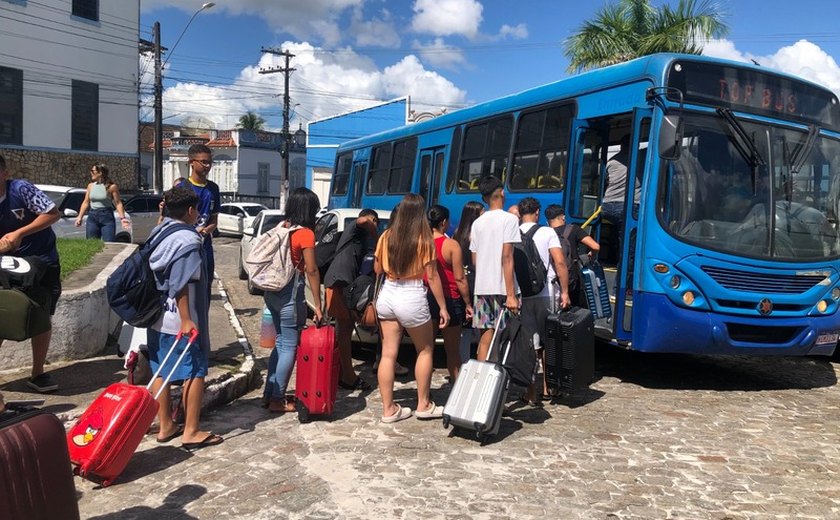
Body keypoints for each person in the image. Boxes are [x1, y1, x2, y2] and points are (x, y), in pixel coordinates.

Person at [147, 186, 222, 450]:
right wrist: (187, 319)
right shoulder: (189, 240)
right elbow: (180, 282)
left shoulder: (160, 231)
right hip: (181, 316)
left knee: (161, 369)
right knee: (197, 369)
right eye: (197, 210)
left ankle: (165, 424)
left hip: (158, 314)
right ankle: (191, 430)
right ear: (191, 211)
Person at [374, 193, 449, 423]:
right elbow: (433, 277)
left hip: (387, 293)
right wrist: (443, 307)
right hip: (411, 294)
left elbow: (377, 269)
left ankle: (389, 409)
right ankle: (423, 404)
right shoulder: (424, 239)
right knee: (425, 350)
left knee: (388, 352)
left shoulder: (386, 236)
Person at [0, 154, 62, 392]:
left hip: (41, 261)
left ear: (5, 173)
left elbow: (52, 213)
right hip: (7, 264)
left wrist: (19, 234)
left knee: (41, 315)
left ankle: (38, 373)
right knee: (3, 314)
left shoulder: (21, 189)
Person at [262, 187, 324, 413]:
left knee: (280, 343)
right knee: (289, 347)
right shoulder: (305, 234)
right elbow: (312, 270)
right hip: (289, 293)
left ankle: (269, 394)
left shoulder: (282, 227)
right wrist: (318, 304)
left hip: (271, 292)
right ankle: (277, 399)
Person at [517, 197, 570, 406]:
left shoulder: (513, 232)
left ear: (520, 213)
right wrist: (565, 291)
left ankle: (530, 393)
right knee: (549, 341)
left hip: (522, 294)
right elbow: (559, 261)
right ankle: (549, 387)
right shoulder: (548, 232)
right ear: (537, 212)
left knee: (529, 344)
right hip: (546, 292)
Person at [323, 208, 382, 390]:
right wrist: (376, 234)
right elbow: (364, 221)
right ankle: (347, 377)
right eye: (375, 221)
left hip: (345, 284)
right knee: (344, 330)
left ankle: (342, 373)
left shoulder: (362, 240)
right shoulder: (354, 228)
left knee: (343, 330)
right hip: (338, 282)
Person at [470, 176, 520, 362]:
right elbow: (507, 256)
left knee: (485, 338)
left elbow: (474, 258)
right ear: (501, 193)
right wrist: (511, 294)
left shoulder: (477, 223)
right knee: (510, 338)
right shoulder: (510, 220)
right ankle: (504, 380)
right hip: (502, 289)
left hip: (482, 288)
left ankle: (482, 381)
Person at [426, 205, 473, 381]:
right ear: (444, 222)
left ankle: (425, 393)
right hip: (451, 299)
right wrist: (468, 303)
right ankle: (457, 389)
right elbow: (460, 278)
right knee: (452, 351)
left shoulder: (423, 243)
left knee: (427, 349)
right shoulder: (451, 245)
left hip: (428, 297)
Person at [176, 145, 220, 301]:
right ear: (191, 162)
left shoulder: (213, 189)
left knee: (204, 290)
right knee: (184, 288)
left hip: (205, 247)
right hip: (184, 247)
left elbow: (214, 219)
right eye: (203, 162)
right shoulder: (182, 188)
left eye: (209, 162)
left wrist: (207, 230)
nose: (207, 166)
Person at [545, 204, 601, 308]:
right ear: (563, 217)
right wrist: (591, 255)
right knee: (579, 314)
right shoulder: (573, 229)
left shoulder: (545, 233)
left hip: (552, 282)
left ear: (547, 221)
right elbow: (595, 246)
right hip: (573, 281)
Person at [452, 200, 484, 363]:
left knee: (464, 330)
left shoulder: (457, 234)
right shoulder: (478, 234)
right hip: (478, 283)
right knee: (482, 328)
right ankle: (482, 363)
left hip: (462, 283)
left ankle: (463, 364)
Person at [602, 135, 639, 262]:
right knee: (630, 246)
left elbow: (606, 181)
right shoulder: (640, 159)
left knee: (619, 232)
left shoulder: (611, 161)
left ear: (621, 146)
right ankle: (624, 275)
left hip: (607, 205)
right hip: (627, 206)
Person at [74, 164, 129, 241]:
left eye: (93, 171)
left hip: (106, 216)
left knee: (109, 244)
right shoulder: (90, 186)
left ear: (100, 173)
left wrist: (123, 219)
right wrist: (80, 217)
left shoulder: (111, 187)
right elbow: (86, 202)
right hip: (92, 216)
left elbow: (118, 203)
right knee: (91, 244)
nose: (91, 173)